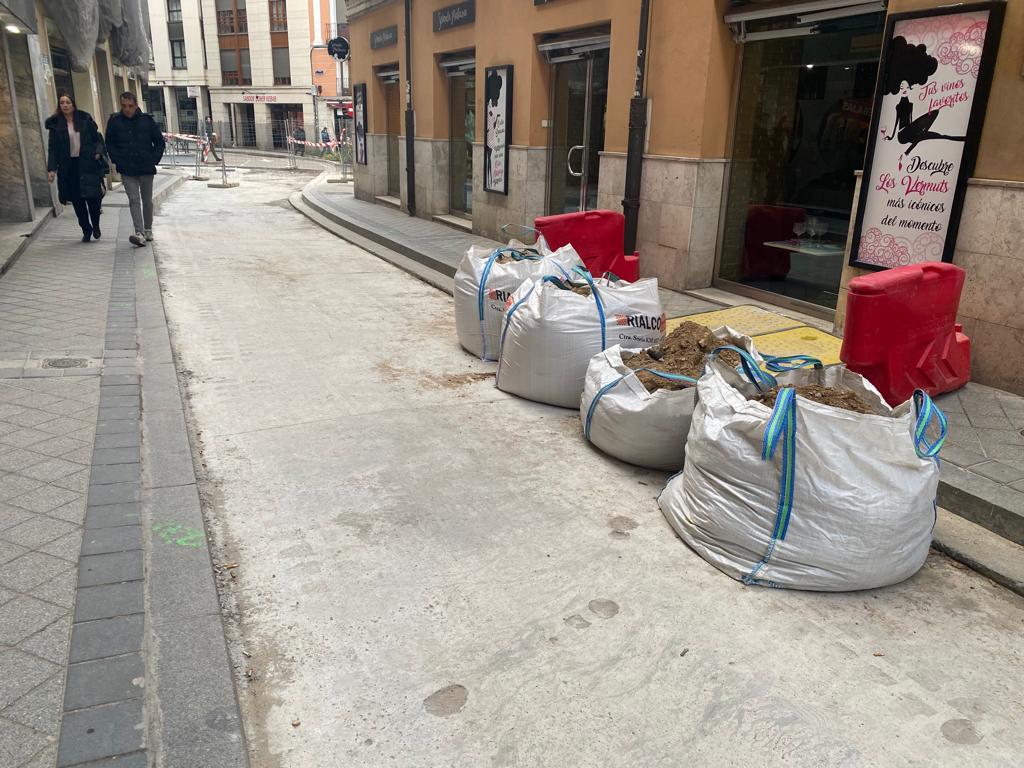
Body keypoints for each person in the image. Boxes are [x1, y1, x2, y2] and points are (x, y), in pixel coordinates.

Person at [45, 92, 108, 242]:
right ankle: (86, 229)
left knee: (94, 199)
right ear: (59, 106)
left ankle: (96, 226)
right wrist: (51, 169)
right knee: (78, 202)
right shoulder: (56, 125)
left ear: (73, 104)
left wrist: (98, 152)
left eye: (68, 102)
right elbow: (53, 149)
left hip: (88, 163)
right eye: (62, 103)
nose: (65, 105)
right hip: (69, 167)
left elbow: (97, 139)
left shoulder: (85, 119)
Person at [105, 91, 165, 247]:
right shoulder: (115, 121)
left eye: (130, 106)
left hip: (146, 167)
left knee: (147, 201)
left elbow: (159, 142)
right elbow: (109, 143)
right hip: (127, 168)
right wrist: (117, 159)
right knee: (133, 200)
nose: (127, 109)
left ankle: (148, 228)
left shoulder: (147, 121)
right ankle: (139, 232)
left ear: (136, 105)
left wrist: (154, 159)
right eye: (124, 106)